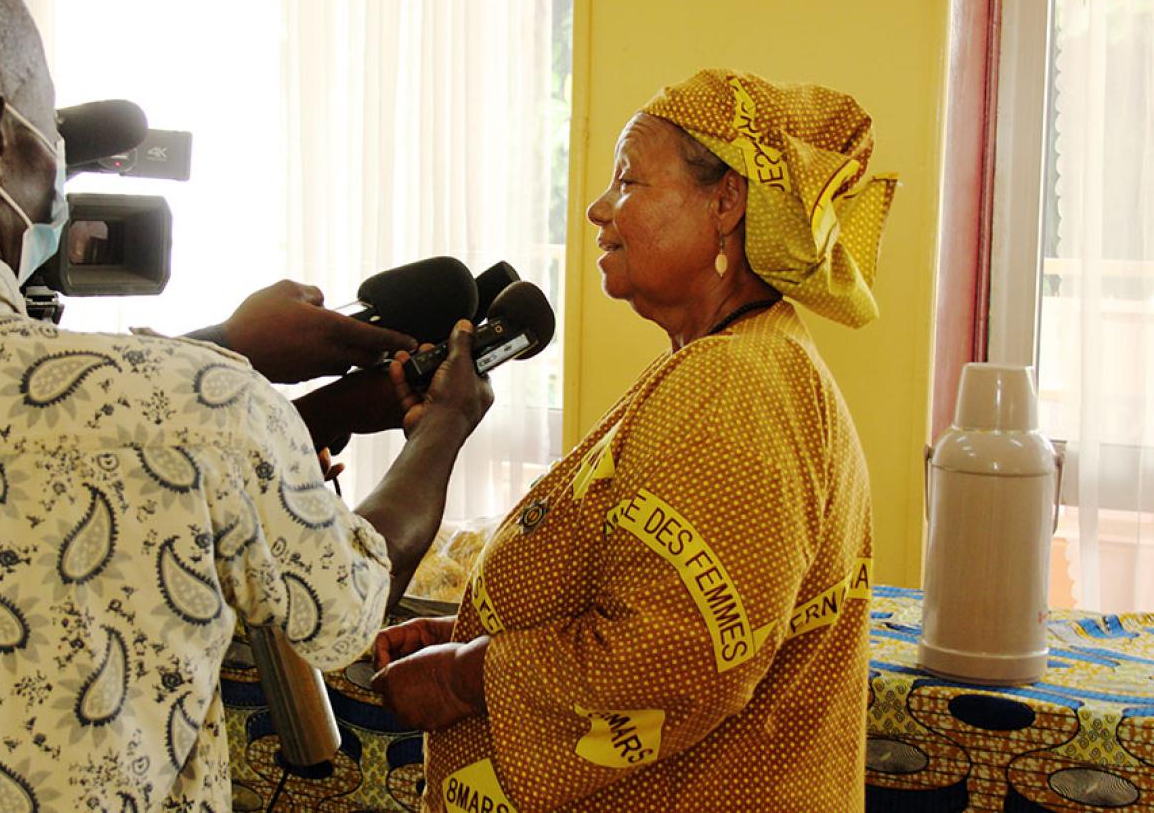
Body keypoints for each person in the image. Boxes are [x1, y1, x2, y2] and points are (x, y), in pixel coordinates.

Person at [0, 0, 492, 809]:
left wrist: (245, 366)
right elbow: (346, 603)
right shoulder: (203, 411)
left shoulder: (203, 409)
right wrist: (444, 422)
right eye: (53, 135)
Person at [372, 68, 898, 811]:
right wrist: (471, 630)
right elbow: (651, 594)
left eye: (628, 181)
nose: (598, 208)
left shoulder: (734, 383)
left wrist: (466, 676)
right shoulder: (731, 360)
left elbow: (671, 655)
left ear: (726, 202)